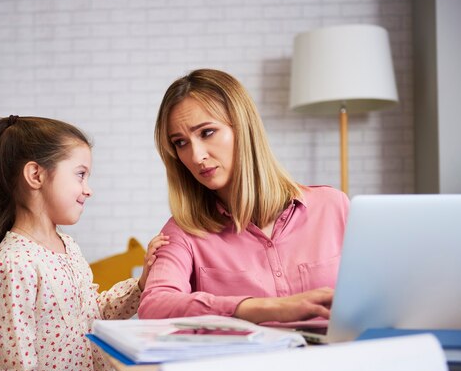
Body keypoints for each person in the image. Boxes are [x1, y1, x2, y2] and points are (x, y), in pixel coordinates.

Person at [0, 116, 153, 371]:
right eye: (80, 174)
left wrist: (140, 286)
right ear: (36, 176)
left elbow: (92, 317)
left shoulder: (69, 247)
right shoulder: (13, 265)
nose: (89, 189)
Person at [138, 69, 350, 325]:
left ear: (243, 128)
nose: (195, 156)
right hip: (245, 365)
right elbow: (155, 305)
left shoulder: (333, 207)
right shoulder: (183, 232)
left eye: (206, 132)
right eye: (181, 143)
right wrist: (261, 308)